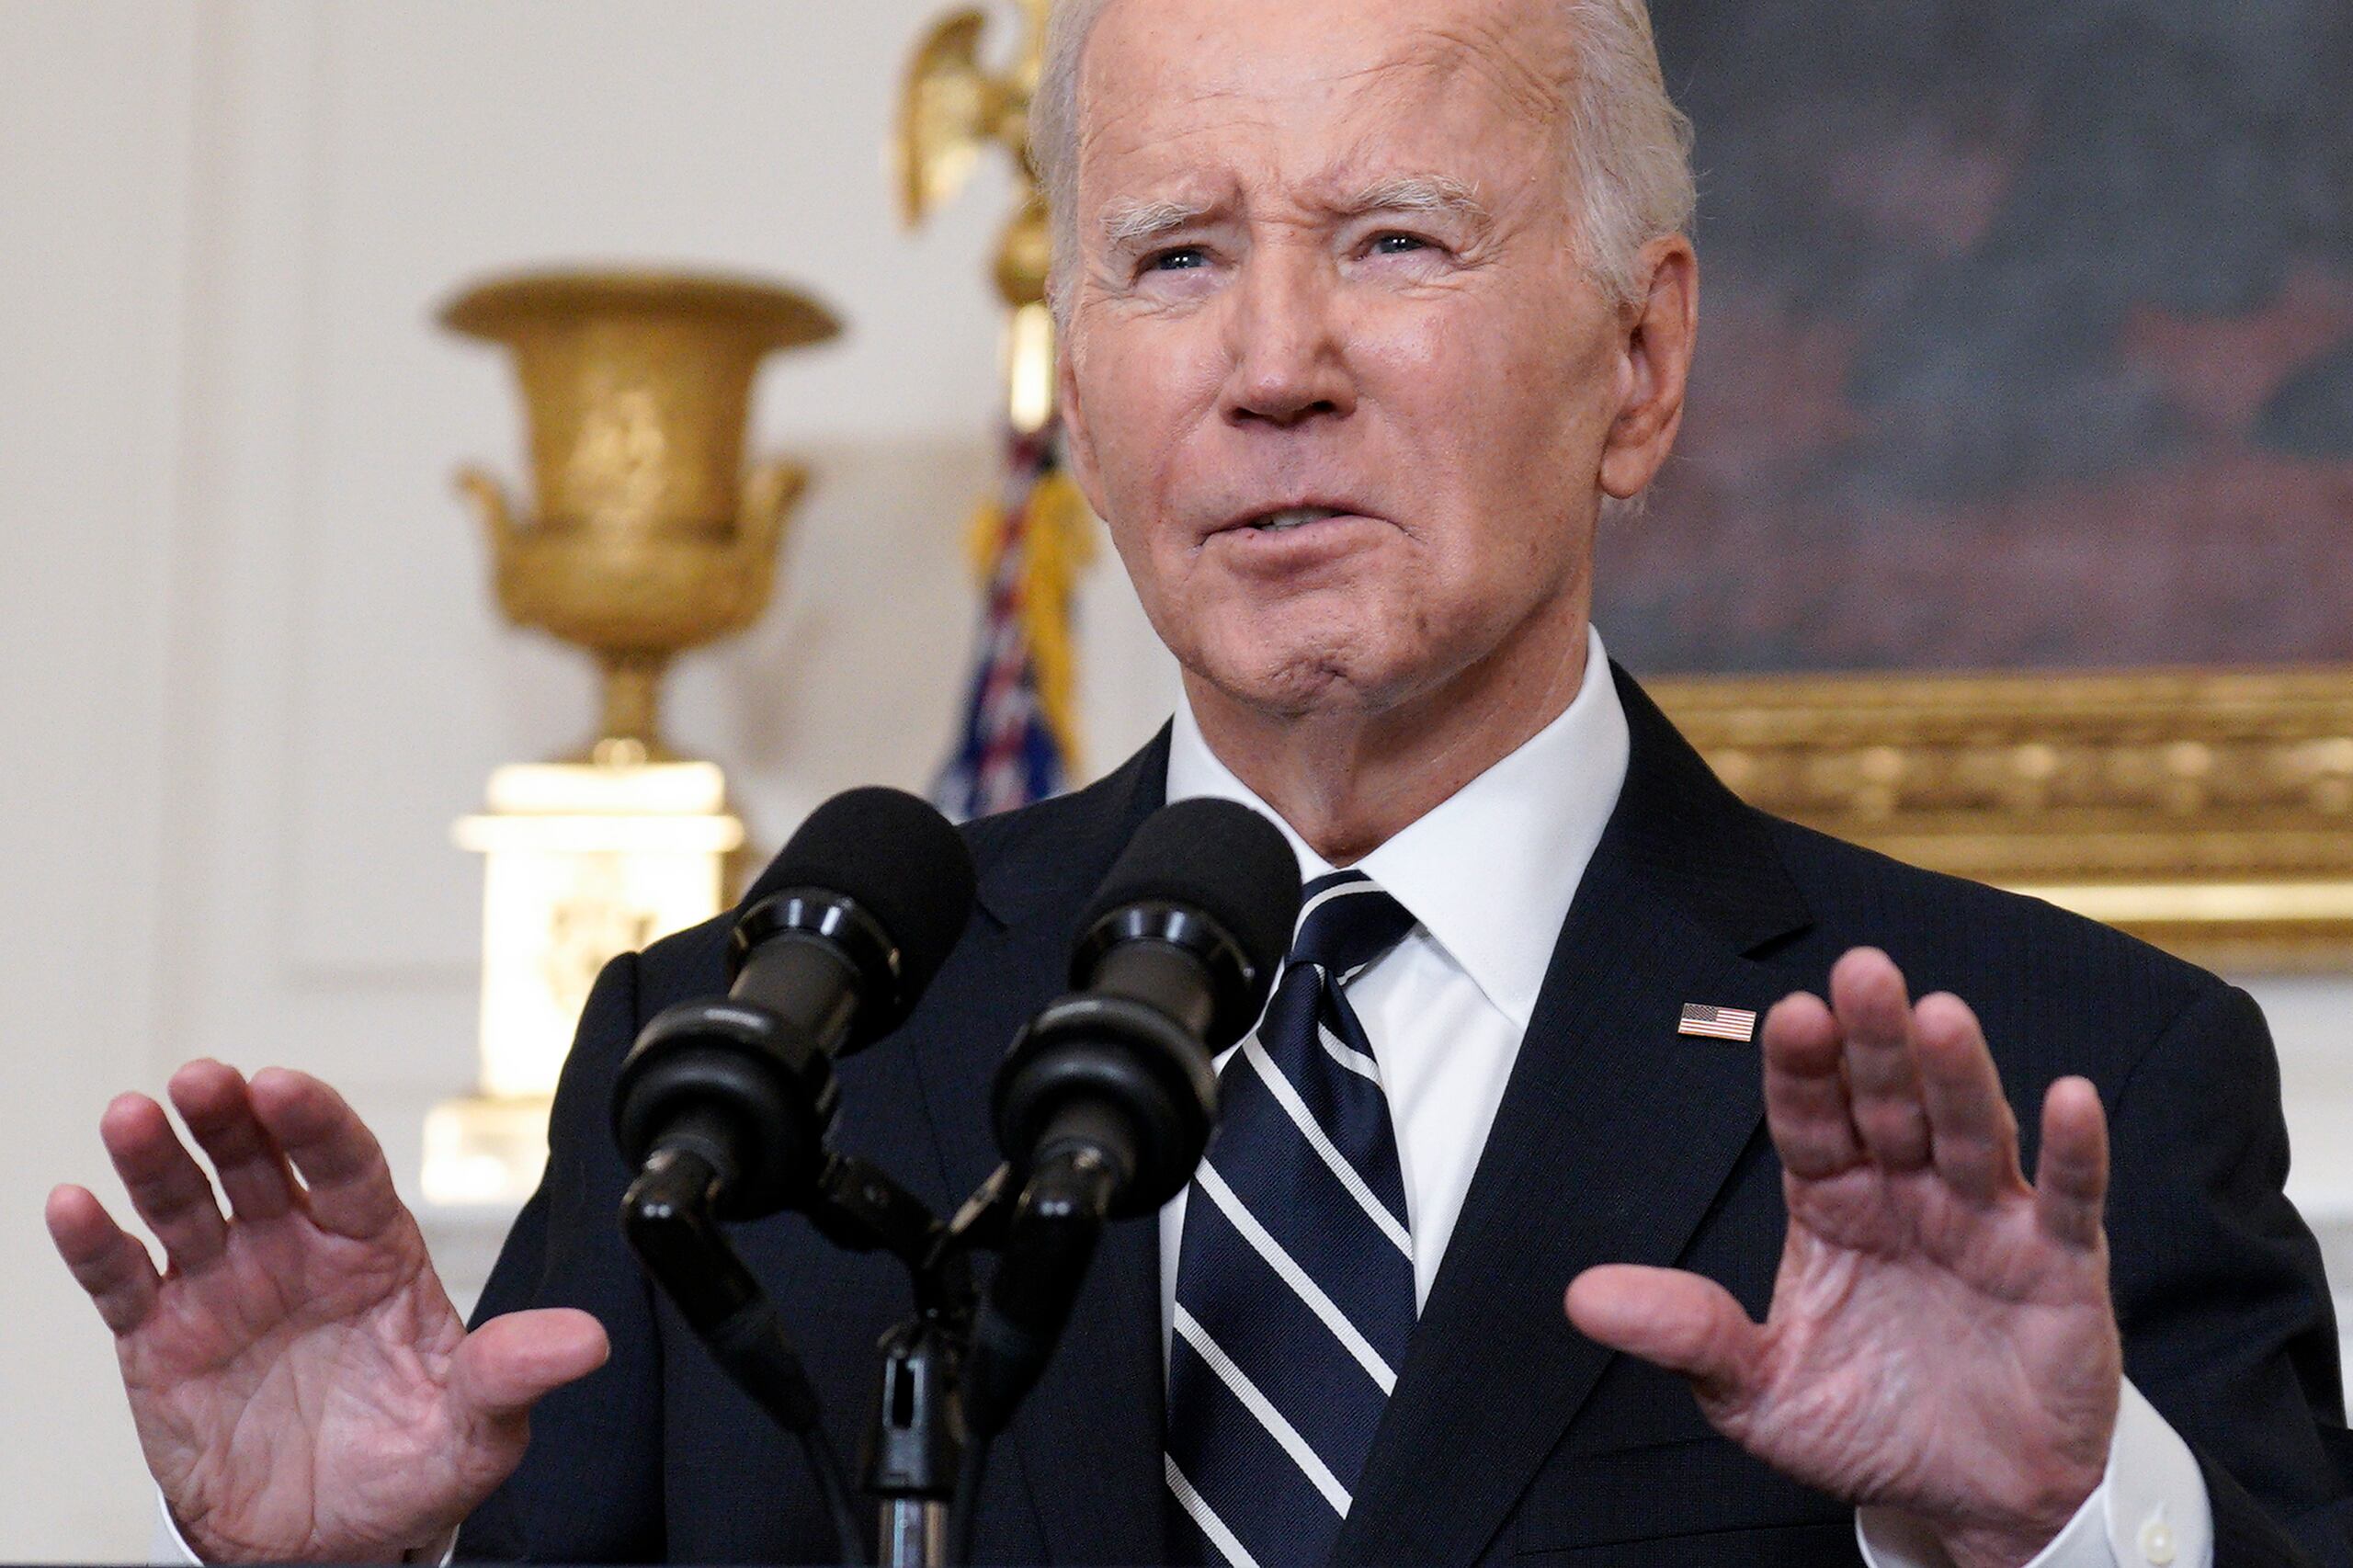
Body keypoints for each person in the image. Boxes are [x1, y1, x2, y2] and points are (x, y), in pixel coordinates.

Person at [46, 0, 2353, 1562]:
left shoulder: (2068, 1082)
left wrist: (2062, 1531)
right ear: (1078, 377)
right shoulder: (740, 1079)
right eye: (1171, 257)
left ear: (1637, 362)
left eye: (1386, 241)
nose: (1271, 367)